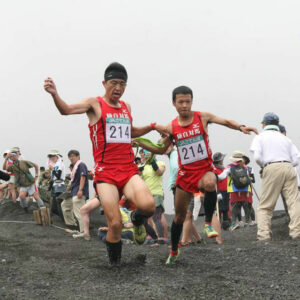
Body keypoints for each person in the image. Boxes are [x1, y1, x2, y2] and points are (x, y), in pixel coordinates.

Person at [44, 62, 167, 265]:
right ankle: (115, 263)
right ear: (104, 83)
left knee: (149, 207)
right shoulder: (95, 104)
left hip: (128, 169)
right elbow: (66, 110)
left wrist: (152, 126)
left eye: (122, 84)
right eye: (113, 83)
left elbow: (131, 131)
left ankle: (137, 219)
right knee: (115, 223)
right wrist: (55, 95)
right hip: (106, 172)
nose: (118, 88)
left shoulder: (126, 107)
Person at [134, 85, 258, 264]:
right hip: (185, 176)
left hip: (204, 170)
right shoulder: (172, 126)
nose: (185, 105)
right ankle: (174, 250)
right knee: (179, 217)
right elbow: (160, 149)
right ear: (174, 104)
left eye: (188, 101)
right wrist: (140, 143)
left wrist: (241, 127)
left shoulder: (202, 117)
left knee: (210, 183)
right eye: (181, 102)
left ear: (192, 101)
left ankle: (207, 223)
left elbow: (224, 121)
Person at [250, 112, 300, 241]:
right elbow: (296, 159)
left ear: (264, 124)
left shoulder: (260, 137)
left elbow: (257, 157)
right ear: (277, 124)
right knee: (294, 202)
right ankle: (296, 232)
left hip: (271, 167)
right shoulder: (286, 138)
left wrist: (264, 166)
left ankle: (264, 234)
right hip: (289, 167)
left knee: (266, 204)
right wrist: (288, 164)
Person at [217, 151, 253, 231]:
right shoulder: (245, 167)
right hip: (245, 188)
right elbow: (248, 178)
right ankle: (248, 221)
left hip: (234, 189)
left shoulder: (229, 167)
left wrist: (216, 177)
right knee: (246, 205)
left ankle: (234, 223)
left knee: (234, 206)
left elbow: (222, 176)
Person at [139, 150, 166, 244]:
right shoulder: (142, 166)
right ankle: (154, 238)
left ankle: (161, 239)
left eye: (147, 153)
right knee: (144, 219)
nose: (144, 154)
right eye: (142, 153)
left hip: (156, 194)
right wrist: (142, 163)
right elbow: (137, 177)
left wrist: (152, 160)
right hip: (145, 195)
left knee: (156, 217)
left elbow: (159, 172)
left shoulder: (160, 163)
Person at [64, 150, 90, 239]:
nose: (71, 158)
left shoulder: (81, 164)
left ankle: (84, 232)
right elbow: (75, 179)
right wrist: (70, 187)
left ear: (78, 156)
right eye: (69, 157)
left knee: (80, 212)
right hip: (73, 191)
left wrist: (80, 190)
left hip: (79, 191)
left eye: (72, 156)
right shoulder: (75, 167)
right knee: (65, 205)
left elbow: (83, 177)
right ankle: (73, 226)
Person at [213, 152, 230, 230]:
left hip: (226, 191)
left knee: (226, 208)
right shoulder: (214, 169)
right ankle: (218, 226)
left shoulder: (223, 168)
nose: (223, 160)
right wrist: (217, 193)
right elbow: (214, 181)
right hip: (219, 191)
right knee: (219, 209)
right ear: (219, 160)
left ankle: (226, 226)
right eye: (222, 159)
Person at [47, 150, 66, 220]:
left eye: (52, 156)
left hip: (60, 184)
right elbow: (54, 178)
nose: (51, 158)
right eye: (50, 157)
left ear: (57, 156)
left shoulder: (60, 164)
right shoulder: (56, 164)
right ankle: (60, 217)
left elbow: (58, 176)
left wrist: (52, 169)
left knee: (60, 202)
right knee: (55, 202)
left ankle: (63, 218)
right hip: (56, 184)